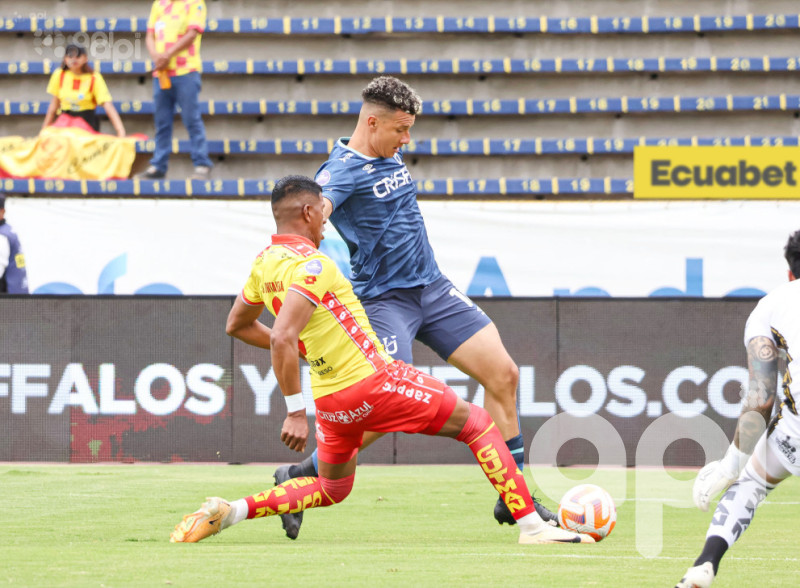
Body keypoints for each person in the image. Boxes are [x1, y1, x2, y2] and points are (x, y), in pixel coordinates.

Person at [170, 175, 592, 546]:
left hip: (333, 402)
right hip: (374, 381)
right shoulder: (315, 265)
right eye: (322, 212)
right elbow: (282, 334)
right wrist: (294, 410)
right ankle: (533, 527)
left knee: (332, 488)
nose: (325, 222)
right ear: (307, 211)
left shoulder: (264, 264)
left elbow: (238, 325)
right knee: (478, 423)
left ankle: (231, 511)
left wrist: (303, 351)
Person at [273, 75, 557, 540]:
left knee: (503, 374)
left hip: (433, 288)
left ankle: (514, 496)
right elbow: (313, 213)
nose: (407, 140)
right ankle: (303, 473)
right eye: (401, 130)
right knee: (383, 404)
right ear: (372, 122)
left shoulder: (389, 149)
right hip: (384, 301)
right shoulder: (338, 173)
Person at [675, 229, 800, 588]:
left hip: (795, 431)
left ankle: (704, 565)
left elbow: (761, 395)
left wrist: (729, 466)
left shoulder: (772, 305)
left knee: (749, 483)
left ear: (790, 272)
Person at [138, 0, 213, 180]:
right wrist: (156, 56)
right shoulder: (159, 4)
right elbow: (150, 34)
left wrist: (166, 55)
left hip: (186, 71)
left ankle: (202, 164)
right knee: (162, 121)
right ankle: (158, 166)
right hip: (162, 73)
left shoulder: (195, 3)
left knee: (191, 118)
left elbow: (192, 33)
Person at [41, 44, 126, 137]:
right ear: (65, 59)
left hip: (86, 122)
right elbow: (54, 105)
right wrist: (44, 129)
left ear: (85, 58)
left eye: (78, 56)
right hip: (65, 122)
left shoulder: (94, 77)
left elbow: (107, 105)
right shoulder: (60, 75)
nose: (74, 59)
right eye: (70, 56)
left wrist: (120, 131)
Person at [0, 194, 29, 294]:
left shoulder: (2, 236)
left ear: (2, 211)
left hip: (9, 300)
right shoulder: (7, 231)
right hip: (18, 299)